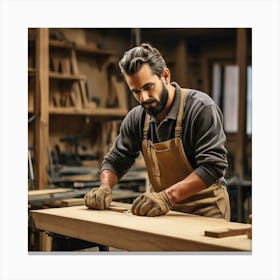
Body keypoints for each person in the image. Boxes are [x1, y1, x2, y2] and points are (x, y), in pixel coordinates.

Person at [84, 43, 230, 221]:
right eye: (136, 91)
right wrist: (104, 187)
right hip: (161, 212)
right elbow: (116, 160)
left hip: (205, 209)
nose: (143, 98)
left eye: (148, 87)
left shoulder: (200, 108)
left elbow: (212, 167)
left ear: (165, 76)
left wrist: (167, 197)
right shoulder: (137, 117)